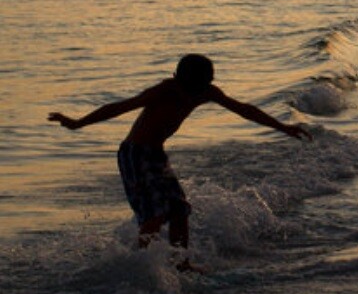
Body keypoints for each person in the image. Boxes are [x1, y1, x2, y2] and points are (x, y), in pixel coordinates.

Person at [48, 54, 312, 271]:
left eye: (200, 84)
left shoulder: (206, 92)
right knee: (154, 214)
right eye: (189, 84)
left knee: (179, 209)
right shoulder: (165, 90)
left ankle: (181, 264)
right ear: (177, 77)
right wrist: (77, 123)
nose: (191, 92)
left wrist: (283, 127)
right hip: (135, 155)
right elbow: (120, 107)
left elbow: (244, 109)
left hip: (156, 155)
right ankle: (141, 266)